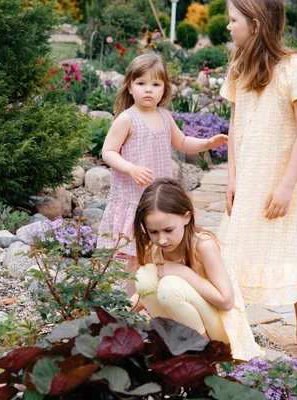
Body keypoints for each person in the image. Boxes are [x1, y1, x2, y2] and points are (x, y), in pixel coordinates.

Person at [218, 0, 297, 361]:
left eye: (233, 20)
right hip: (250, 175)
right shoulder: (238, 65)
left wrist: (286, 187)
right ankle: (234, 327)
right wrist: (232, 178)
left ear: (256, 24)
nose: (228, 27)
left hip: (289, 177)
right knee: (232, 247)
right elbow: (234, 125)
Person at [97, 52, 228, 297]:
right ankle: (135, 304)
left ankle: (162, 297)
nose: (149, 90)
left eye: (156, 84)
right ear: (130, 86)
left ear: (164, 89)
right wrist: (130, 168)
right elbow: (108, 152)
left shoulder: (164, 116)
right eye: (141, 83)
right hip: (135, 200)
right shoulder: (127, 119)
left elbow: (182, 142)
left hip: (160, 199)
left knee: (163, 250)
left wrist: (208, 143)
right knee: (137, 258)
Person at [131, 178, 262, 361]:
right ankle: (172, 340)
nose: (161, 240)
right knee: (144, 276)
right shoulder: (155, 248)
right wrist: (122, 311)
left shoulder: (203, 245)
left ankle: (203, 353)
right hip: (186, 323)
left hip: (220, 328)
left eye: (168, 230)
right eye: (153, 232)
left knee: (170, 285)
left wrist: (185, 273)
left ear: (186, 217)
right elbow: (146, 291)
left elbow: (226, 301)